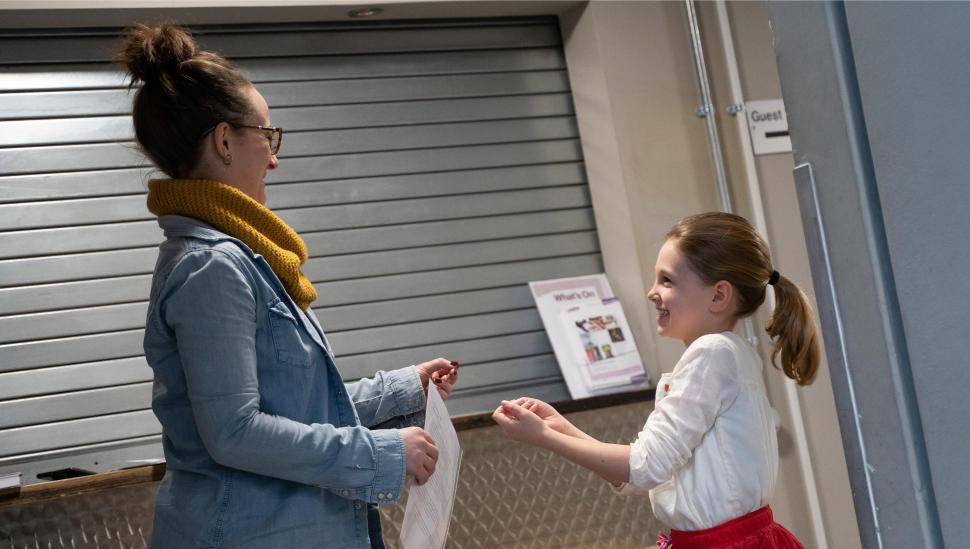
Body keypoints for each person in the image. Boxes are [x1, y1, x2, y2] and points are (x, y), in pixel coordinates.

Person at [120, 23, 458, 548]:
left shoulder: (242, 259)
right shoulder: (212, 267)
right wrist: (384, 454)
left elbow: (296, 408)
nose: (274, 158)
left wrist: (400, 388)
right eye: (267, 136)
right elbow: (236, 432)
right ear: (225, 141)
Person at [493, 212, 818, 548]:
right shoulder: (731, 354)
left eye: (667, 280)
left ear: (719, 296)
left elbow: (644, 467)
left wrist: (545, 437)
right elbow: (648, 474)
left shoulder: (712, 355)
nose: (652, 292)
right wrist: (562, 429)